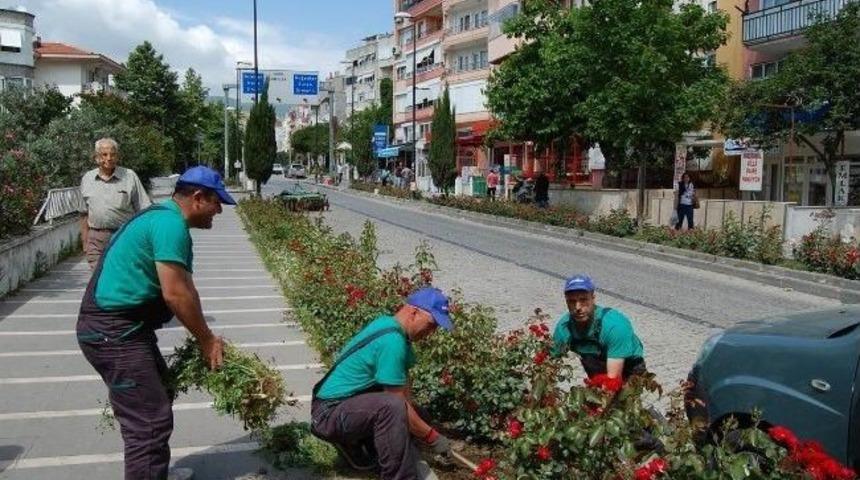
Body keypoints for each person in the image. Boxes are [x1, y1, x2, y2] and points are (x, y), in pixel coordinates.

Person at [77, 166, 235, 480]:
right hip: (113, 333)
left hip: (125, 329)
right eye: (218, 202)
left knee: (158, 394)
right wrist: (205, 340)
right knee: (149, 420)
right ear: (198, 197)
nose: (219, 210)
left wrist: (208, 335)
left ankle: (153, 473)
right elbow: (175, 294)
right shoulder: (168, 224)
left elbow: (187, 289)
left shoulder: (164, 218)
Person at [311, 287, 455, 480]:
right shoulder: (392, 342)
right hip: (327, 415)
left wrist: (416, 428)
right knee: (393, 408)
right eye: (431, 324)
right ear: (413, 312)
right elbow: (398, 404)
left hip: (346, 406)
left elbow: (405, 389)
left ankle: (364, 447)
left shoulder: (391, 327)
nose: (432, 332)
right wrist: (432, 438)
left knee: (418, 415)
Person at [551, 275, 646, 380]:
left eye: (583, 300)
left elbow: (613, 379)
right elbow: (547, 363)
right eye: (572, 301)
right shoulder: (564, 327)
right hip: (594, 361)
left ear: (593, 299)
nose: (578, 307)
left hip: (628, 364)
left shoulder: (615, 326)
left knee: (616, 393)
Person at [80, 137, 151, 269]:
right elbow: (83, 213)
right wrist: (85, 242)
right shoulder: (87, 178)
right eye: (104, 154)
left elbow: (144, 210)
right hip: (96, 239)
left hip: (123, 236)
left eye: (113, 154)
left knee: (122, 276)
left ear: (117, 157)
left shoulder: (129, 176)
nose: (109, 158)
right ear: (96, 157)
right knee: (98, 279)